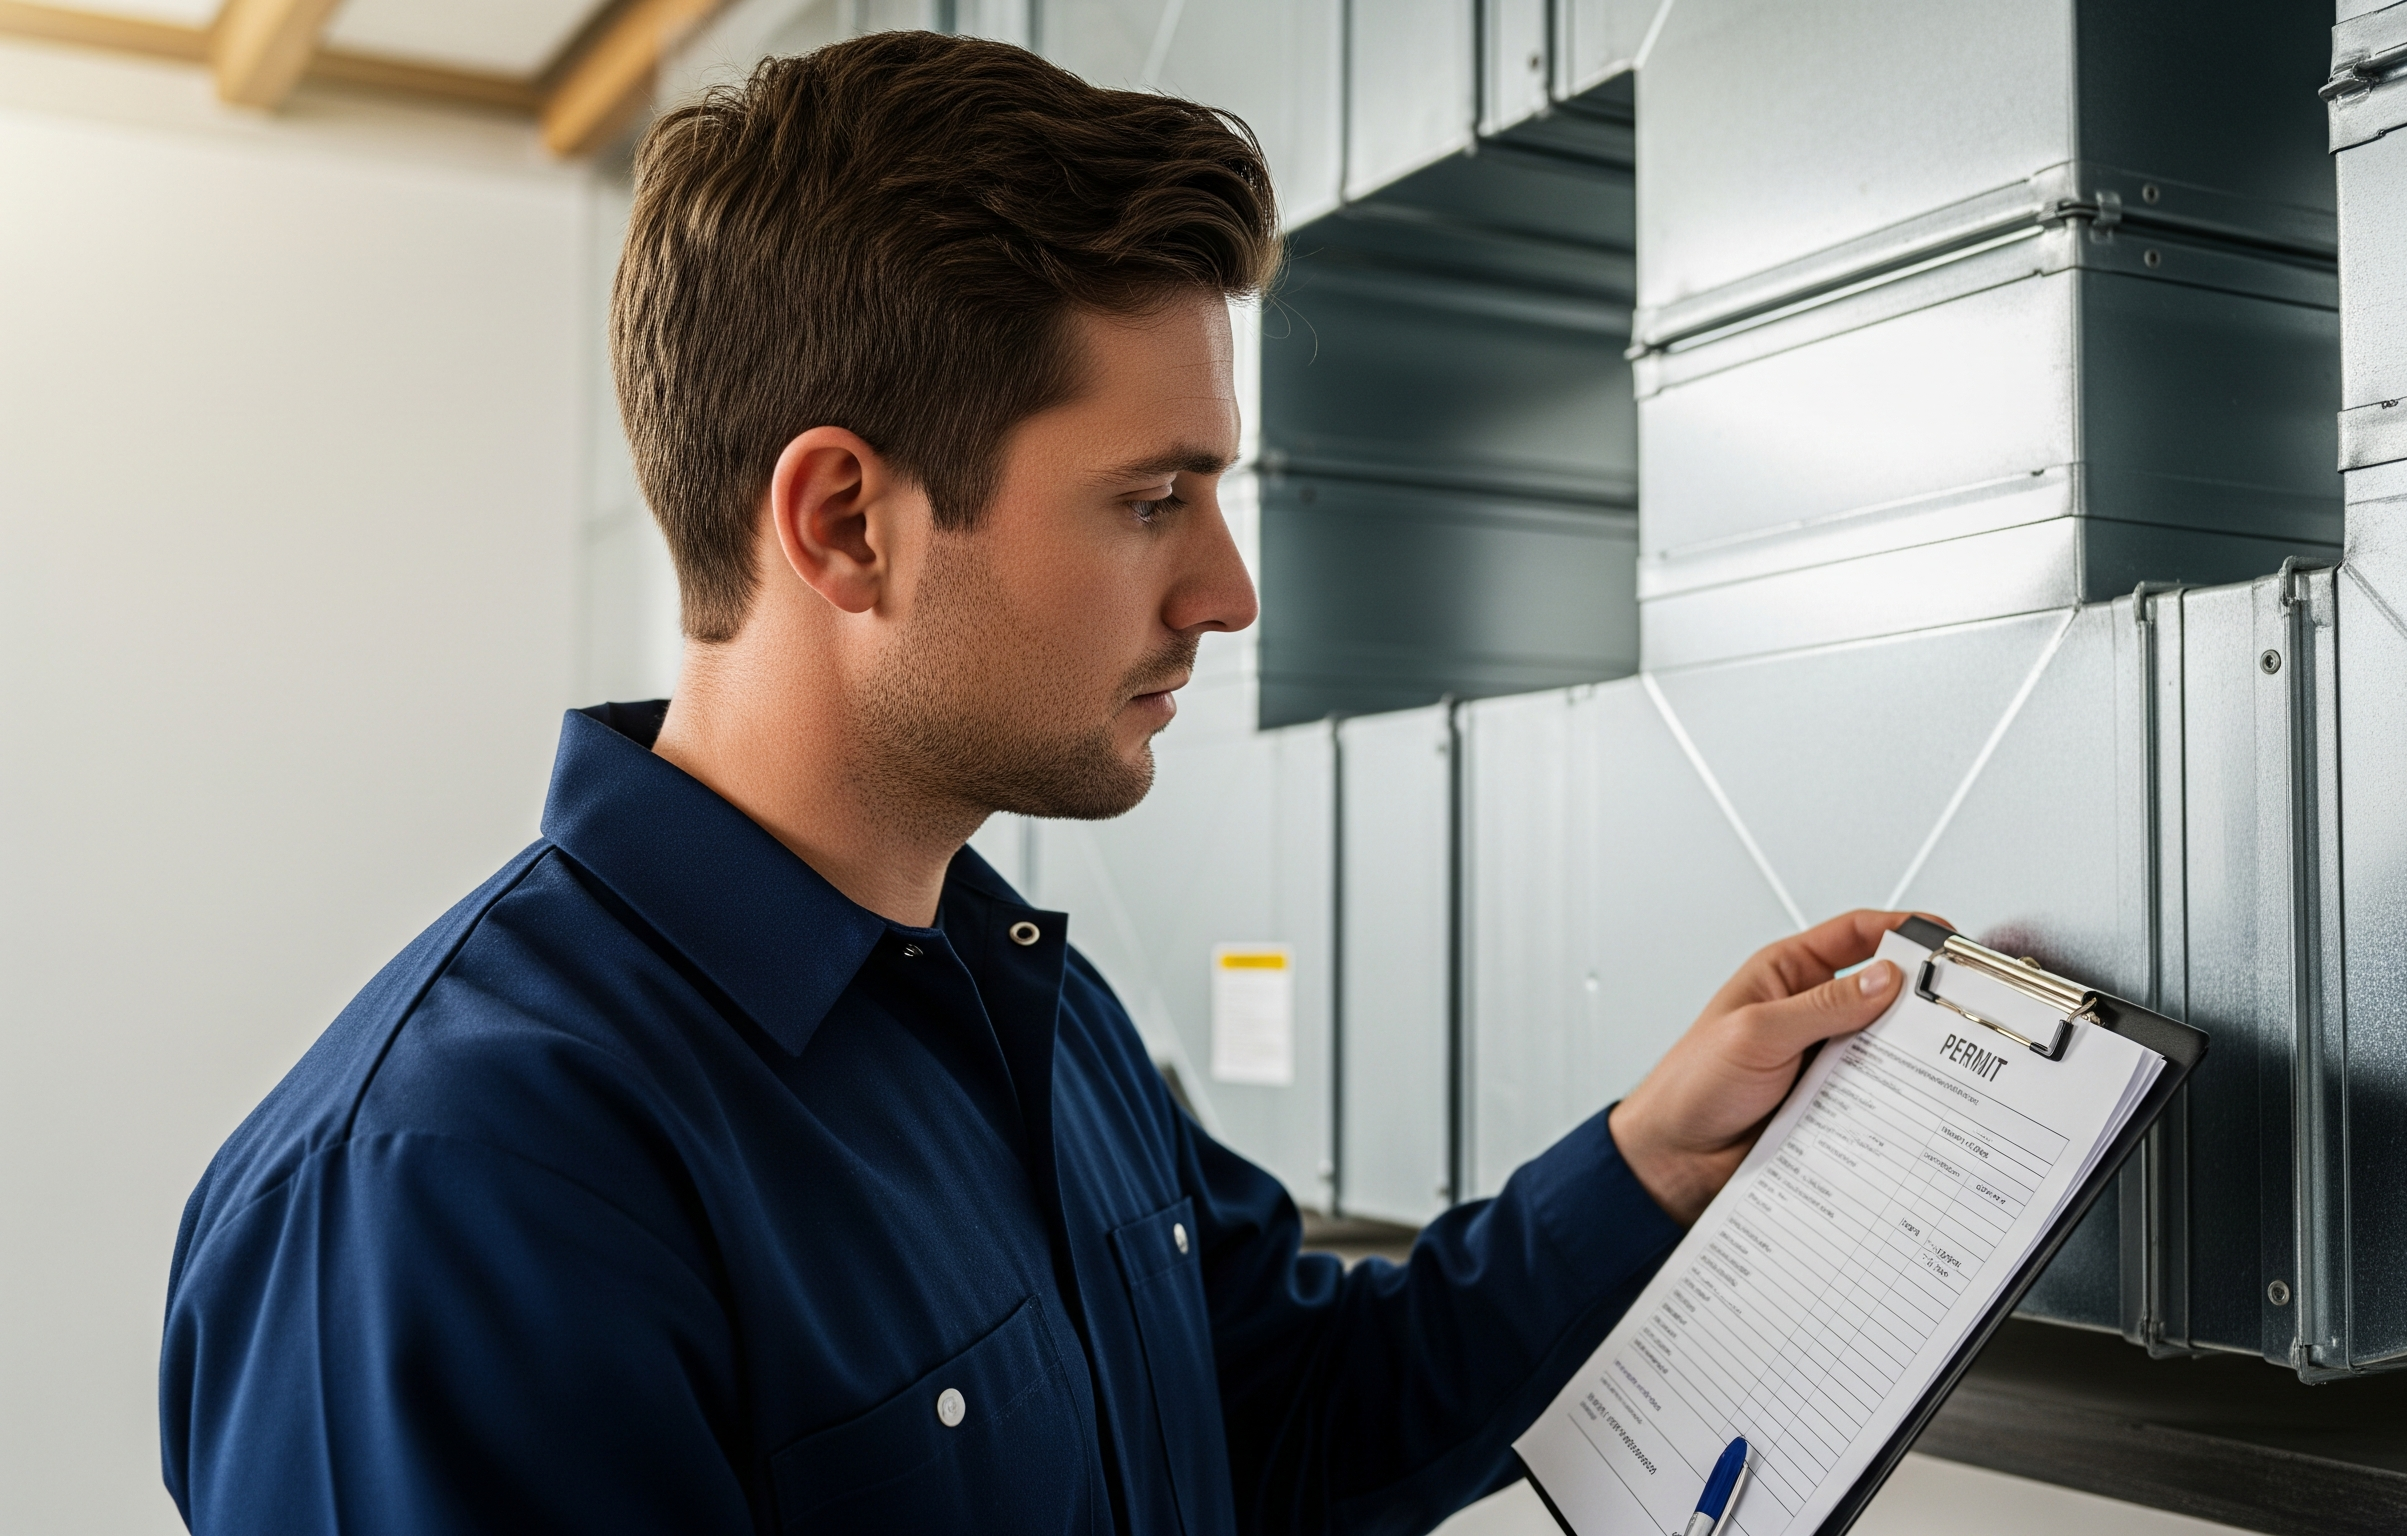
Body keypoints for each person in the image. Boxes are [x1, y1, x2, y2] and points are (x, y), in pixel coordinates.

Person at [157, 32, 1910, 1536]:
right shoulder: (457, 1186)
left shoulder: (1024, 1016)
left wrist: (1651, 1160)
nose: (1228, 591)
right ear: (846, 522)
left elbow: (1281, 1417)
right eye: (1155, 499)